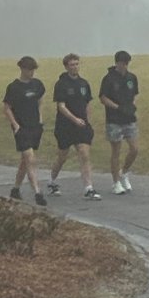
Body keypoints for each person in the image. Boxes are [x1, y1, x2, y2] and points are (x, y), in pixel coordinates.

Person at [48, 53, 101, 200]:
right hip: (65, 126)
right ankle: (52, 181)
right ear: (66, 66)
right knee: (62, 157)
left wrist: (87, 121)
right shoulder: (61, 84)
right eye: (72, 65)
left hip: (82, 126)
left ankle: (89, 188)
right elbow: (61, 106)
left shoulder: (84, 83)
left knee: (84, 154)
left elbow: (88, 103)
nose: (75, 67)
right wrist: (74, 119)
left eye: (77, 64)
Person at [2, 56, 47, 206]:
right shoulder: (14, 87)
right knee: (30, 158)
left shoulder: (37, 85)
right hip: (22, 127)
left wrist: (40, 119)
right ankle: (37, 192)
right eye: (29, 70)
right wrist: (15, 125)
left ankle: (15, 189)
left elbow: (40, 101)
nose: (32, 72)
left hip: (35, 126)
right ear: (22, 69)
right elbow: (7, 108)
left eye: (33, 69)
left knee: (25, 160)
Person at [99, 49, 140, 196]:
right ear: (117, 63)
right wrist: (118, 108)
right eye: (122, 63)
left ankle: (125, 172)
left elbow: (135, 93)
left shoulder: (131, 78)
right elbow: (103, 98)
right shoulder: (109, 79)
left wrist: (132, 106)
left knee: (134, 149)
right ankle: (116, 182)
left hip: (129, 118)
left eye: (127, 64)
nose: (125, 66)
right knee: (116, 151)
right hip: (114, 120)